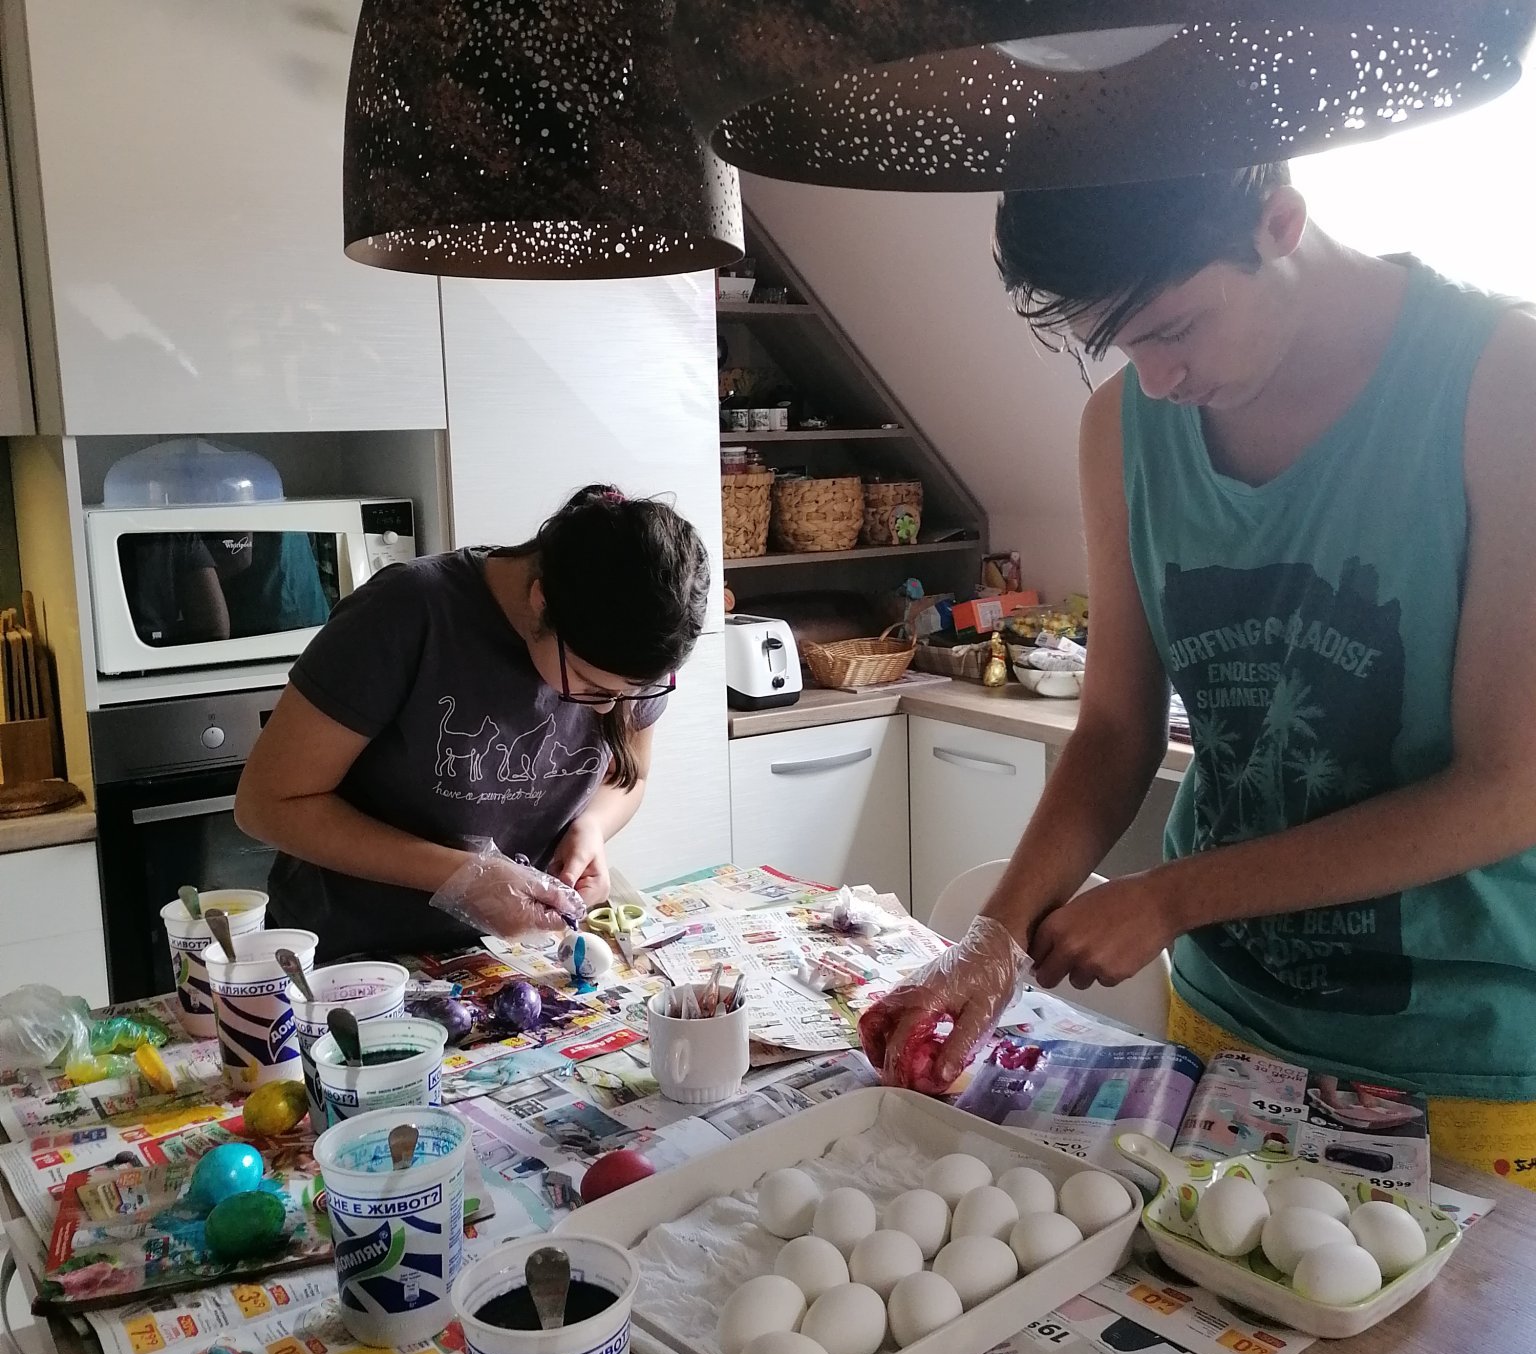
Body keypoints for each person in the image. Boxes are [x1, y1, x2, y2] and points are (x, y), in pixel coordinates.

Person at [870, 165, 1536, 1187]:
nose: (1156, 380)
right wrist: (995, 939)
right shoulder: (1122, 429)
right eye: (1120, 344)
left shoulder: (1503, 381)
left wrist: (1174, 895)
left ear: (1280, 220)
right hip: (1225, 1023)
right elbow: (1115, 731)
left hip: (1460, 1060)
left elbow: (1508, 787)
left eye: (1175, 327)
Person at [236, 485, 708, 961]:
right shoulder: (407, 613)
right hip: (356, 958)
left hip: (507, 956)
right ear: (541, 601)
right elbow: (266, 804)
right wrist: (461, 876)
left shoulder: (632, 644)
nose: (607, 710)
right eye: (590, 685)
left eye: (636, 692)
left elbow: (629, 777)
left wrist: (590, 827)